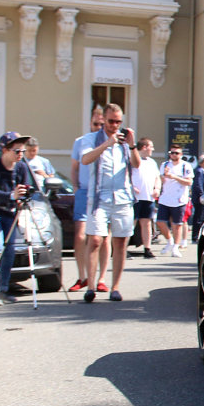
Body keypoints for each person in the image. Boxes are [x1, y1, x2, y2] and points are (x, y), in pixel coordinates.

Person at [80, 104, 140, 302]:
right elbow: (86, 159)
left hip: (122, 197)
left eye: (118, 122)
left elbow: (136, 164)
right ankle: (90, 286)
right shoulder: (90, 139)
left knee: (121, 242)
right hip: (99, 197)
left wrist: (131, 145)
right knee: (95, 239)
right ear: (103, 120)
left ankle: (115, 288)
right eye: (111, 121)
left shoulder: (124, 141)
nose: (115, 125)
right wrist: (107, 143)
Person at [0, 132, 36, 305]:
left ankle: (3, 289)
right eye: (16, 151)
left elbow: (26, 188)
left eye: (22, 151)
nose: (20, 155)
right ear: (4, 150)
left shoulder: (21, 167)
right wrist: (12, 196)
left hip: (11, 212)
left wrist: (24, 197)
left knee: (10, 250)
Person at [69, 111, 109, 293]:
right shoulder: (82, 141)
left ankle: (101, 278)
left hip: (103, 192)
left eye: (102, 124)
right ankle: (82, 277)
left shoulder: (112, 141)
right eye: (95, 124)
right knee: (80, 236)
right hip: (84, 191)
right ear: (90, 124)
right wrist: (76, 189)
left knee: (103, 238)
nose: (99, 128)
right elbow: (75, 168)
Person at [157, 145, 194, 257]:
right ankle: (169, 241)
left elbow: (189, 182)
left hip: (179, 199)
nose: (174, 155)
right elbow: (161, 180)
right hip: (165, 198)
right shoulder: (164, 165)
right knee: (159, 221)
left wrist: (174, 177)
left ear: (181, 154)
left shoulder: (185, 166)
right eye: (172, 152)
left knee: (177, 224)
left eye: (176, 153)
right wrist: (165, 175)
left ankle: (175, 247)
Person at [130, 138, 161, 259]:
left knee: (146, 223)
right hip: (135, 197)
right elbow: (126, 175)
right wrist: (131, 186)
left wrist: (157, 188)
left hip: (148, 197)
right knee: (131, 222)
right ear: (144, 147)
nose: (152, 149)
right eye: (151, 146)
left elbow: (157, 177)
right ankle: (124, 247)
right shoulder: (133, 158)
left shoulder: (152, 162)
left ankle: (147, 249)